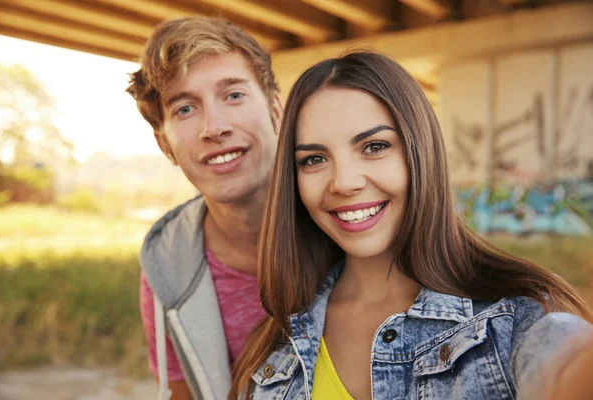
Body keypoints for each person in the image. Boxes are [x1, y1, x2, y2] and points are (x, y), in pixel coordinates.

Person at [229, 52, 593, 399]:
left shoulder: (514, 319)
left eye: (374, 146)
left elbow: (564, 362)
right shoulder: (275, 345)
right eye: (314, 159)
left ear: (420, 152)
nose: (344, 182)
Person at [126, 16, 282, 400]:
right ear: (165, 145)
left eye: (233, 95)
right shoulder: (167, 269)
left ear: (276, 110)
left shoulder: (351, 222)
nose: (214, 126)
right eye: (184, 109)